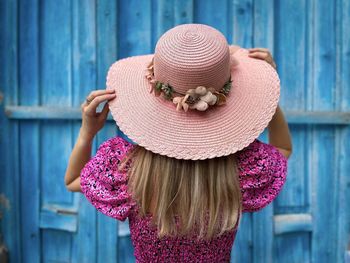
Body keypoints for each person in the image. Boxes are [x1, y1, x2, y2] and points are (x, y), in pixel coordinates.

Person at [64, 24, 292, 262]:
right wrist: (270, 103)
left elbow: (73, 180)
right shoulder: (242, 170)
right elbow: (283, 149)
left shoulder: (128, 170)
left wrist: (87, 132)